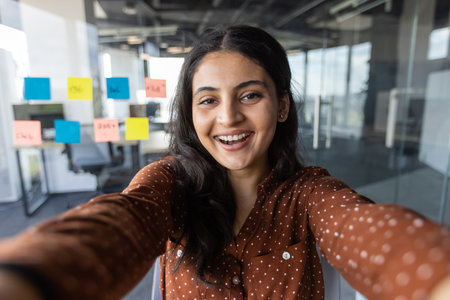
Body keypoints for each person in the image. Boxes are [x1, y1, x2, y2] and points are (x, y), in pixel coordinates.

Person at [0, 25, 449, 300]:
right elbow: (116, 226)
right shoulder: (169, 184)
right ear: (191, 113)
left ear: (282, 106)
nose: (228, 117)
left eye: (250, 95)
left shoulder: (310, 193)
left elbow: (368, 232)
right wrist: (27, 277)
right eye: (208, 100)